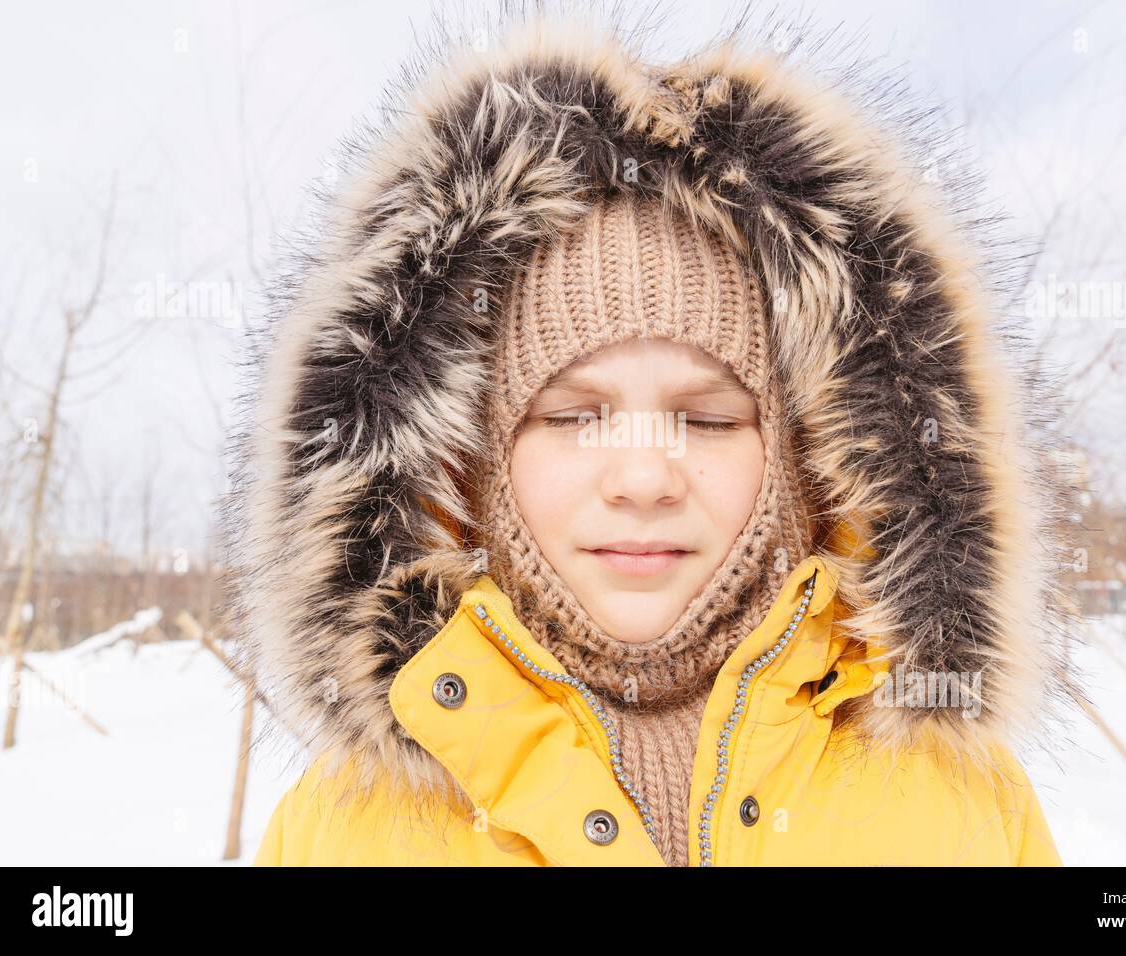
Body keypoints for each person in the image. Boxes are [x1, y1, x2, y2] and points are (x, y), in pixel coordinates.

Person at [222, 9, 1080, 867]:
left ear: (810, 461)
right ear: (469, 464)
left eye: (708, 420)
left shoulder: (960, 806)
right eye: (570, 416)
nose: (642, 478)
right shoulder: (344, 831)